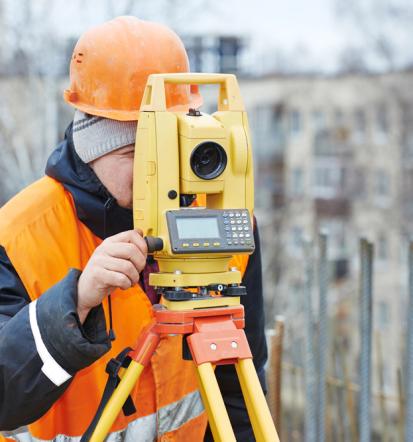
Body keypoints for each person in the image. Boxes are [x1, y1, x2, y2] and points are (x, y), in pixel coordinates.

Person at [0, 16, 267, 442]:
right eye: (138, 155)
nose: (162, 176)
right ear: (94, 149)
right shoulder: (17, 236)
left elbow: (236, 395)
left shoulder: (228, 229)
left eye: (172, 153)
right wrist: (77, 300)